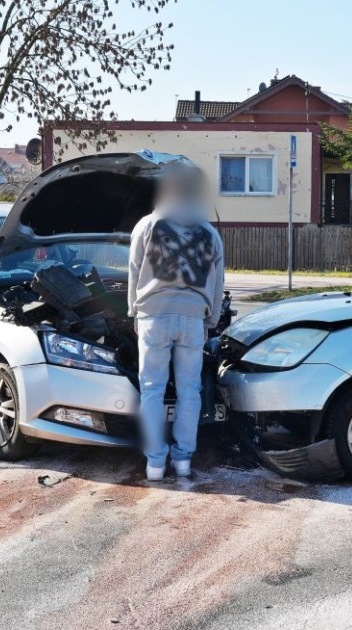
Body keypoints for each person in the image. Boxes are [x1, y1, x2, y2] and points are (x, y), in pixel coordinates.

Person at [128, 164, 225, 481]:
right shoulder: (210, 233)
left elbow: (134, 271)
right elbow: (216, 280)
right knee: (189, 391)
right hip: (192, 318)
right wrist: (210, 319)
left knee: (152, 391)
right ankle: (183, 460)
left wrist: (134, 312)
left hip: (153, 315)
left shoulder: (146, 226)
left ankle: (155, 463)